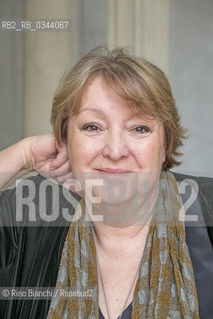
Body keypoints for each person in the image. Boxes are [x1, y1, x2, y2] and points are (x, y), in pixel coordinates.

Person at [0, 47, 213, 319]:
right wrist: (24, 154)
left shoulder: (206, 209)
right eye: (93, 127)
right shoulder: (29, 218)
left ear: (165, 144)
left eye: (139, 128)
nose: (115, 150)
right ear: (64, 139)